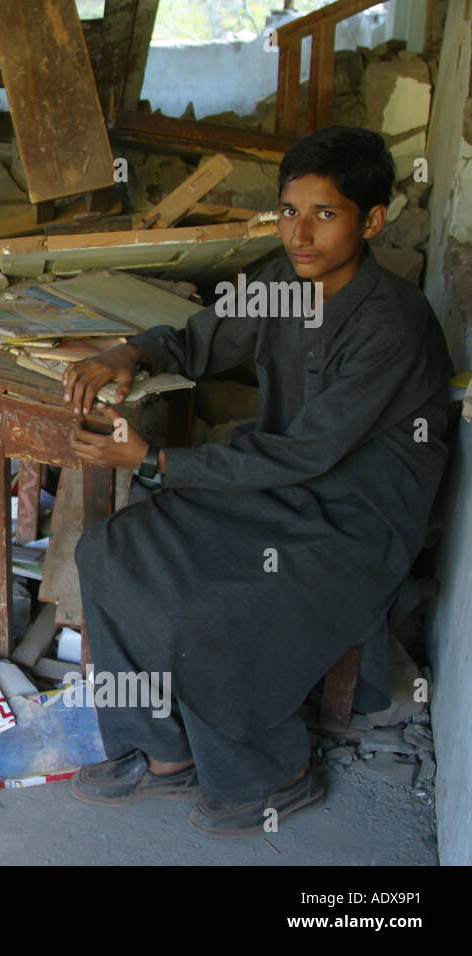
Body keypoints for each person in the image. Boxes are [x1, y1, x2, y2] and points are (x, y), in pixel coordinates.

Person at [60, 125, 453, 837]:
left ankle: (266, 772)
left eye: (325, 215)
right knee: (111, 552)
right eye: (288, 212)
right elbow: (202, 337)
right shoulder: (282, 281)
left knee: (212, 607)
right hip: (269, 488)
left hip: (350, 519)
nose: (300, 233)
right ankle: (165, 750)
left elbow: (309, 453)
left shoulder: (393, 322)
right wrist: (131, 352)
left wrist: (155, 463)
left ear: (371, 221)